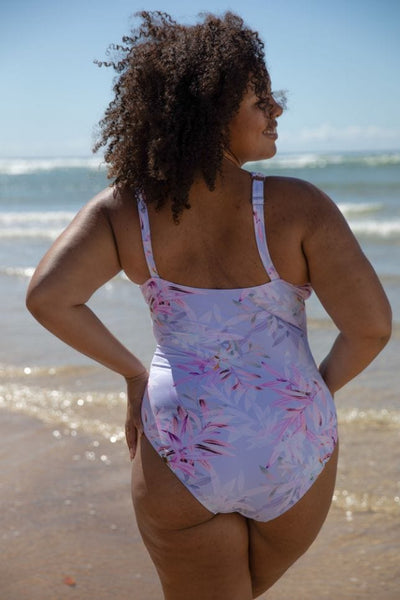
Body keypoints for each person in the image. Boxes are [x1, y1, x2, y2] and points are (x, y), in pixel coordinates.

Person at [26, 11, 391, 600]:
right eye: (261, 100)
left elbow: (49, 298)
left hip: (180, 444)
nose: (278, 110)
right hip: (291, 443)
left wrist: (133, 373)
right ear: (214, 110)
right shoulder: (299, 206)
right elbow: (372, 328)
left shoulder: (127, 209)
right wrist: (311, 392)